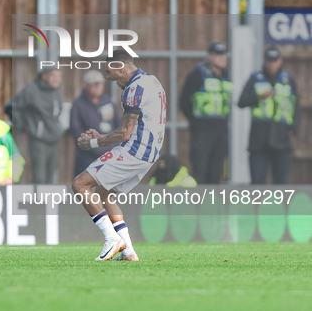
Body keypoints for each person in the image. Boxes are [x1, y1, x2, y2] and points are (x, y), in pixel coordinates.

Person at [74, 50, 166, 261]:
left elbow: (125, 133)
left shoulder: (134, 89)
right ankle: (128, 251)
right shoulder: (152, 80)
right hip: (150, 152)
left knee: (79, 184)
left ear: (120, 67)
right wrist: (103, 136)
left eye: (108, 71)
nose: (107, 77)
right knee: (105, 193)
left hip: (135, 150)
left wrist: (93, 142)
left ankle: (112, 238)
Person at [237, 47, 300, 184]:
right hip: (259, 140)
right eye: (269, 61)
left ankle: (279, 206)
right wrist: (258, 97)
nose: (272, 64)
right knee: (258, 183)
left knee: (281, 183)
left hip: (282, 138)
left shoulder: (288, 80)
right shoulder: (255, 78)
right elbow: (241, 102)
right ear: (265, 61)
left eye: (275, 61)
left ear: (280, 61)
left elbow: (296, 106)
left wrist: (293, 129)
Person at [179, 42, 233, 184]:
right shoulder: (197, 74)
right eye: (217, 55)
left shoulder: (226, 75)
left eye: (223, 55)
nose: (222, 58)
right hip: (202, 131)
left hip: (221, 130)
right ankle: (198, 204)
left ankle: (212, 205)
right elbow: (184, 101)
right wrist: (196, 122)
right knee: (200, 170)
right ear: (210, 56)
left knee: (216, 171)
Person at [11, 67, 64, 184]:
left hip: (54, 138)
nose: (57, 79)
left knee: (51, 175)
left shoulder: (57, 91)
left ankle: (48, 202)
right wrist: (23, 126)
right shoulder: (31, 90)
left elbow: (58, 112)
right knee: (39, 176)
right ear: (44, 76)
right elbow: (13, 107)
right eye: (53, 75)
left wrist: (58, 128)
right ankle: (37, 201)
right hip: (38, 140)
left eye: (59, 76)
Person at [70, 70, 121, 176]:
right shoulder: (78, 104)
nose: (98, 86)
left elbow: (119, 122)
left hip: (110, 153)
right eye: (94, 83)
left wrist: (114, 142)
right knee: (83, 186)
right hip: (88, 155)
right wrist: (89, 142)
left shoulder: (108, 101)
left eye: (100, 83)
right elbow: (75, 129)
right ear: (86, 85)